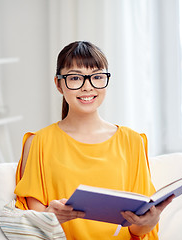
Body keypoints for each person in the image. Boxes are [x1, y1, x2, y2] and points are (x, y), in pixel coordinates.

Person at [14, 41, 173, 239]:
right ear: (58, 84)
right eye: (75, 78)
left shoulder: (132, 141)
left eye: (97, 77)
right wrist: (49, 216)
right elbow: (33, 224)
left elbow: (137, 229)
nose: (87, 87)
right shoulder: (39, 142)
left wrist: (149, 221)